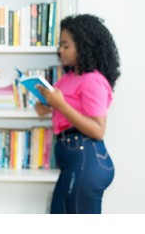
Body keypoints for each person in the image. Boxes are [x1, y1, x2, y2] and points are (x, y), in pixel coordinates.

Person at [35, 14, 121, 214]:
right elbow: (58, 107)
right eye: (60, 45)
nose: (60, 50)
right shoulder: (69, 78)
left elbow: (98, 130)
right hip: (72, 160)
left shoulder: (93, 80)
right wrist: (45, 106)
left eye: (66, 45)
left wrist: (61, 105)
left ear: (83, 46)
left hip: (86, 158)